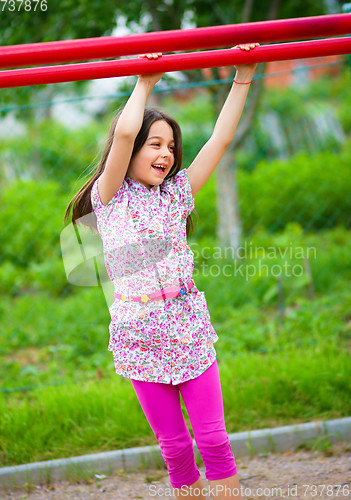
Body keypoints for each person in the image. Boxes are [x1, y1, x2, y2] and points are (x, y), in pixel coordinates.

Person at [64, 43, 258, 499]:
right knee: (174, 447)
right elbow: (127, 130)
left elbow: (220, 141)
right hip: (138, 331)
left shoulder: (178, 193)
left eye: (171, 146)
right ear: (129, 151)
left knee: (213, 440)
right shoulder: (110, 197)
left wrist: (243, 75)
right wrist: (145, 82)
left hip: (186, 323)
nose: (166, 153)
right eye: (155, 144)